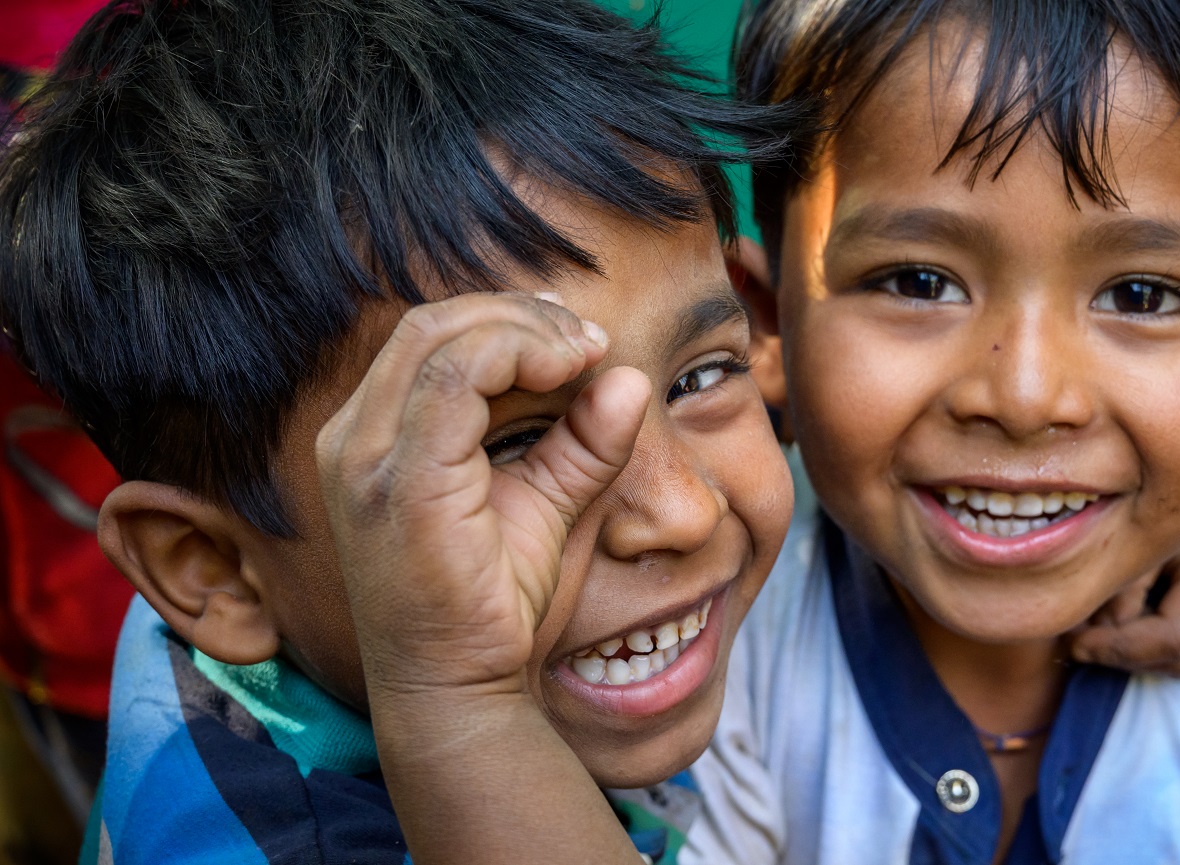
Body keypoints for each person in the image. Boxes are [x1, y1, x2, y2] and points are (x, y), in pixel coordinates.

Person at [0, 0, 802, 861]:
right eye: (513, 445)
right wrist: (459, 705)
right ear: (215, 571)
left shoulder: (290, 598)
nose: (682, 513)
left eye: (700, 376)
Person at [683, 0, 1180, 862]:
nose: (1023, 395)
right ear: (764, 328)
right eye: (919, 280)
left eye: (1140, 295)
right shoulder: (699, 670)